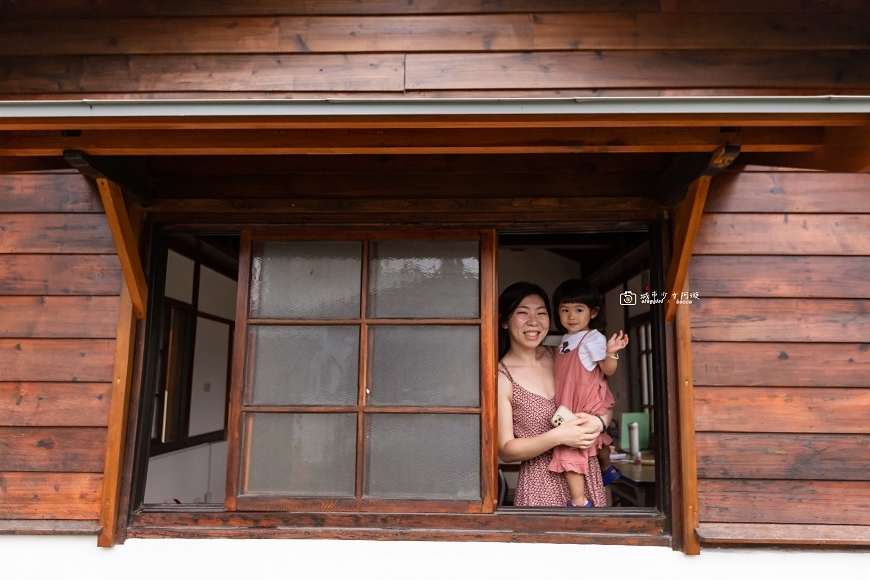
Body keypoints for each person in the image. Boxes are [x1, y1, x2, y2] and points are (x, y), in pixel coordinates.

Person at [496, 282, 612, 507]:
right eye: (522, 313)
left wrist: (599, 423)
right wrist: (559, 437)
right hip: (541, 486)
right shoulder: (502, 377)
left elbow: (602, 399)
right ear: (503, 321)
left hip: (586, 477)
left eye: (541, 313)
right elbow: (506, 450)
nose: (533, 321)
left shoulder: (563, 356)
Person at [548, 279, 629, 507]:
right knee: (598, 439)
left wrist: (611, 352)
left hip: (585, 401)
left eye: (579, 310)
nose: (571, 316)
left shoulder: (593, 338)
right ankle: (606, 469)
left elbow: (607, 370)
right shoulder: (565, 338)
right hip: (572, 399)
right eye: (565, 310)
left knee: (570, 449)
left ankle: (580, 501)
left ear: (593, 312)